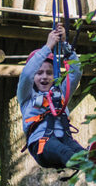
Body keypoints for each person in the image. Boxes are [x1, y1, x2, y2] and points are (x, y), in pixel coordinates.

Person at [18, 27, 85, 169]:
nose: (44, 77)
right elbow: (26, 75)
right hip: (42, 145)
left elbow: (76, 73)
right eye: (39, 73)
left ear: (55, 75)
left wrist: (64, 45)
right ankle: (83, 162)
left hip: (65, 140)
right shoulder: (26, 97)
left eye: (49, 73)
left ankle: (95, 164)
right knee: (65, 152)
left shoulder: (61, 92)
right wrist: (48, 47)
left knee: (79, 152)